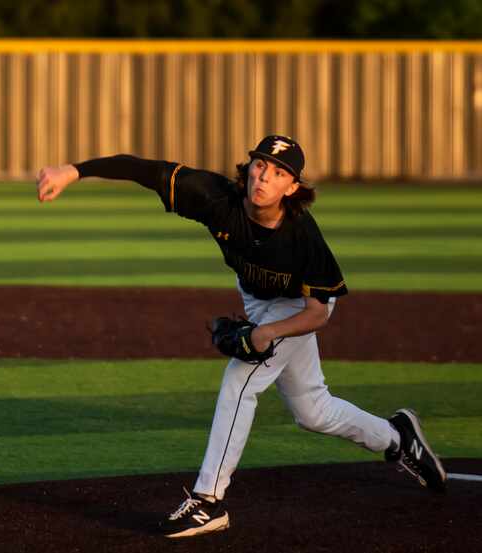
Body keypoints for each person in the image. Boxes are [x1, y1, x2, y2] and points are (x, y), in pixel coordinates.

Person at [35, 135, 447, 539]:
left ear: (293, 187)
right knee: (313, 412)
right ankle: (398, 438)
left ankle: (208, 501)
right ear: (248, 167)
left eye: (279, 171)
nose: (265, 176)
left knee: (240, 380)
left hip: (296, 308)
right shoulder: (215, 197)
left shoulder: (303, 237)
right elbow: (143, 169)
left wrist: (269, 332)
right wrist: (73, 171)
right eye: (261, 164)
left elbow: (319, 312)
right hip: (256, 298)